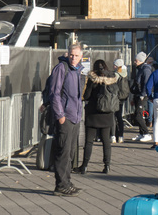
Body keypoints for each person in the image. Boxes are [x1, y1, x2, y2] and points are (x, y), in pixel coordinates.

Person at [49, 43, 85, 196]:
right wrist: (60, 115)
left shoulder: (78, 70)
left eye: (76, 55)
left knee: (70, 152)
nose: (73, 58)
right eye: (71, 55)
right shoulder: (61, 68)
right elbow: (54, 93)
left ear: (81, 56)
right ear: (67, 54)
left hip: (75, 116)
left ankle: (67, 182)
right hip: (66, 116)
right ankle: (61, 185)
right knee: (63, 151)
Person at [77, 60, 119, 174]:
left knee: (89, 141)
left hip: (93, 114)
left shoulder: (93, 79)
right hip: (108, 115)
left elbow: (87, 96)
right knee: (106, 142)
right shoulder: (112, 79)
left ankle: (84, 166)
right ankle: (107, 166)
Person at [132, 51, 152, 142]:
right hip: (138, 94)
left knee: (138, 115)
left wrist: (143, 95)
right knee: (137, 114)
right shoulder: (140, 69)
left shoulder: (145, 69)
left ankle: (146, 133)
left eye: (136, 60)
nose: (134, 62)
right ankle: (141, 133)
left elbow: (146, 83)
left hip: (142, 95)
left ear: (140, 61)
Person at [111, 58, 128, 144]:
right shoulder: (125, 74)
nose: (113, 66)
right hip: (122, 98)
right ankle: (121, 136)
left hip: (115, 98)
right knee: (120, 117)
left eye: (114, 65)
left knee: (113, 117)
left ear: (117, 66)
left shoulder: (116, 74)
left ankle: (113, 136)